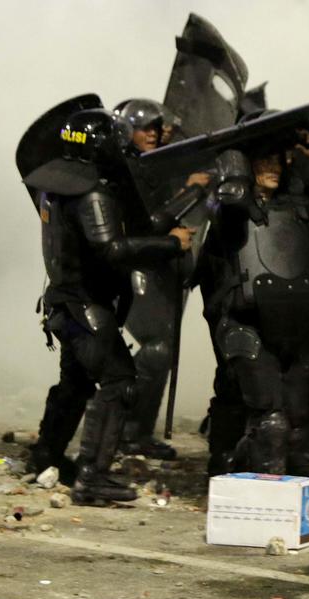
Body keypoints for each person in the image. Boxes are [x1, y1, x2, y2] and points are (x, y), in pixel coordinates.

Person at [24, 108, 194, 504]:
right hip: (87, 308)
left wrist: (170, 217)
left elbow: (129, 225)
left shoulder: (58, 183)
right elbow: (112, 249)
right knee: (120, 382)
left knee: (76, 384)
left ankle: (47, 456)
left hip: (65, 304)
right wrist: (172, 245)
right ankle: (93, 476)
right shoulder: (92, 191)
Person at [200, 124, 309, 477]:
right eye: (262, 161)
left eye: (277, 161)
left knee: (295, 413)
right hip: (245, 320)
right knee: (264, 412)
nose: (272, 168)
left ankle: (255, 462)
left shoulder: (296, 207)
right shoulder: (229, 208)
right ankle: (237, 470)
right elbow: (231, 199)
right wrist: (237, 157)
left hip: (294, 323)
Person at [114, 98, 209, 460]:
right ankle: (125, 430)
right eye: (145, 128)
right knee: (155, 350)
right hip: (133, 265)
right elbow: (150, 221)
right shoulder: (126, 169)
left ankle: (138, 432)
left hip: (158, 265)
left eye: (157, 127)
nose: (153, 134)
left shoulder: (152, 165)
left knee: (162, 350)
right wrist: (192, 190)